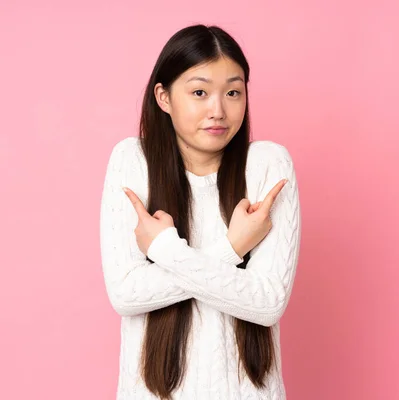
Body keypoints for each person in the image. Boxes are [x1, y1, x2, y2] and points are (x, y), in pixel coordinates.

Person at [99, 23, 302, 400]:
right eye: (199, 92)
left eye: (233, 92)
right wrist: (232, 248)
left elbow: (268, 302)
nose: (219, 109)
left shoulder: (267, 165)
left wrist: (164, 251)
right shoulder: (133, 161)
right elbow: (126, 293)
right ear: (163, 97)